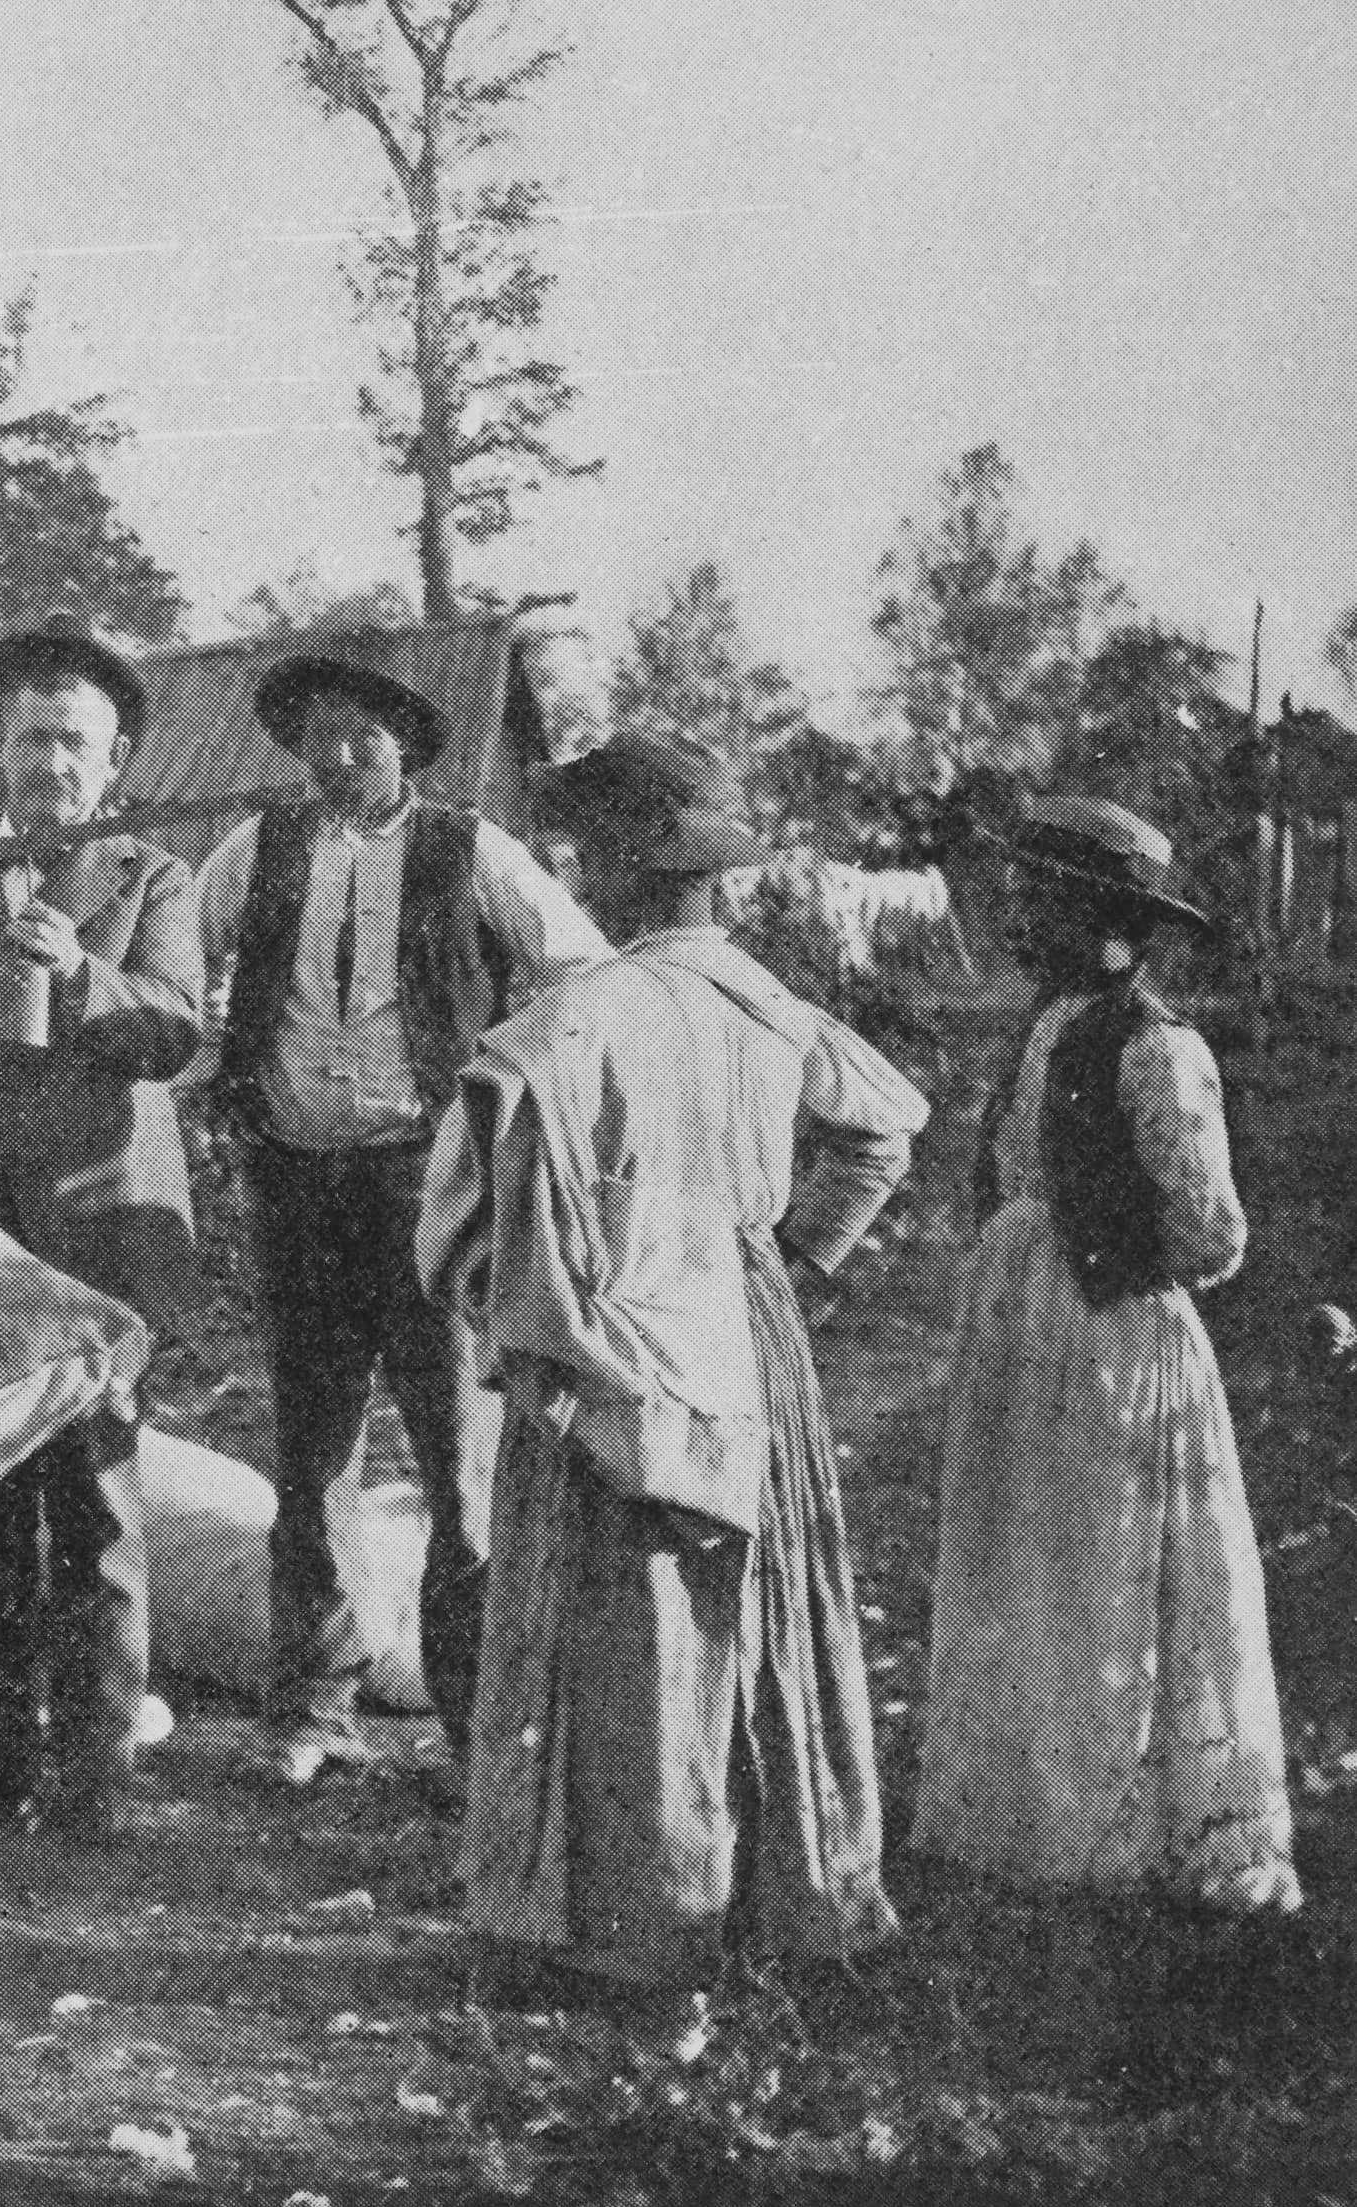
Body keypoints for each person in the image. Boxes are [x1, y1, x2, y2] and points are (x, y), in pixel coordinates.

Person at [418, 729, 915, 2012]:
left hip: (613, 1345)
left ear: (610, 874)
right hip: (750, 1330)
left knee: (624, 1631)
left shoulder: (566, 1023)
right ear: (715, 879)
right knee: (761, 1606)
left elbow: (465, 1226)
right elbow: (880, 1131)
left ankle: (628, 1932)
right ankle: (775, 1901)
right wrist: (790, 1255)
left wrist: (520, 1313)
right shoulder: (772, 1006)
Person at [195, 634, 610, 1786]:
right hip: (297, 1185)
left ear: (406, 744)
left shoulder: (469, 849)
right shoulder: (259, 848)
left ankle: (476, 1730)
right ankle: (314, 1711)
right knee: (313, 1451)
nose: (335, 756)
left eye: (359, 736)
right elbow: (183, 964)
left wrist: (512, 1087)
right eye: (316, 736)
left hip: (433, 1188)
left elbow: (583, 971)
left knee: (456, 1459)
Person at [913, 796, 1300, 1912]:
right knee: (1040, 1559)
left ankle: (1122, 1821)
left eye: (1046, 899)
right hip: (1032, 1324)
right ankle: (1039, 1813)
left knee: (1107, 1561)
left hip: (1107, 1326)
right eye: (1024, 896)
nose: (1022, 920)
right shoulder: (1049, 1028)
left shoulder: (1157, 1048)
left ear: (1112, 919)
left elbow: (1209, 1229)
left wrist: (1088, 1253)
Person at [0, 610, 205, 1840]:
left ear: (112, 758)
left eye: (74, 742)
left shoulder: (150, 877)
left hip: (100, 1237)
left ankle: (96, 1781)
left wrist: (81, 975)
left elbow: (176, 1029)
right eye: (30, 739)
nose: (51, 764)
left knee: (96, 1503)